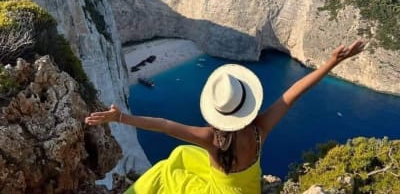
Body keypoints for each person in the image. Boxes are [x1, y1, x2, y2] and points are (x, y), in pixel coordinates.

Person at [85, 39, 365, 193]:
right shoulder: (260, 130)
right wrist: (333, 62)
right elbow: (294, 92)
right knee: (183, 154)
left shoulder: (211, 139)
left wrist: (120, 118)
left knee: (163, 172)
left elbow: (164, 126)